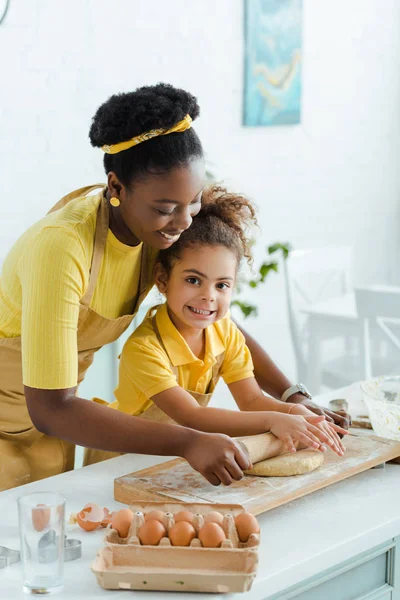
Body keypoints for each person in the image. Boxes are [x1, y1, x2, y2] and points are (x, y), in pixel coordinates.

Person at [0, 83, 348, 492]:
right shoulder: (62, 248)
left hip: (56, 423)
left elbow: (220, 324)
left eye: (193, 201)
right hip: (36, 413)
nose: (184, 222)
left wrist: (293, 395)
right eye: (166, 209)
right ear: (116, 188)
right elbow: (52, 407)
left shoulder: (157, 230)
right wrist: (188, 441)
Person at [84, 187, 346, 466]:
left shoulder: (226, 334)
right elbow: (192, 416)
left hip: (174, 456)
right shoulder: (144, 349)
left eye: (222, 285)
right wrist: (276, 420)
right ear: (162, 279)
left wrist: (297, 413)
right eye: (193, 280)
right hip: (118, 462)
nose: (209, 296)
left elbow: (252, 401)